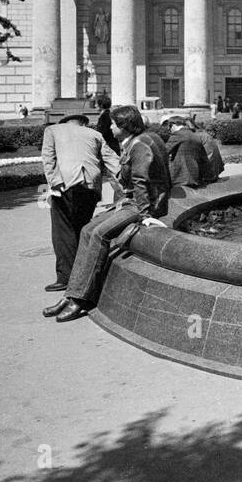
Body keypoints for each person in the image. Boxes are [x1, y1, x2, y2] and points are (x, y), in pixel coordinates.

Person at [44, 104, 171, 323]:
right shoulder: (136, 141)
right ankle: (71, 294)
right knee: (86, 229)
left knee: (99, 234)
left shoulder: (139, 144)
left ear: (124, 125)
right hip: (131, 202)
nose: (110, 128)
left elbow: (141, 181)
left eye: (113, 123)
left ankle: (80, 300)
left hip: (139, 206)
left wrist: (144, 215)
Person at [41, 112, 121, 294]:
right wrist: (125, 182)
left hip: (65, 185)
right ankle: (84, 275)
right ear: (83, 122)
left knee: (63, 232)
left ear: (65, 122)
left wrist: (55, 182)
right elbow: (112, 160)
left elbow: (48, 157)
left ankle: (66, 278)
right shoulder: (94, 134)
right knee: (82, 229)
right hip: (90, 186)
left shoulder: (52, 130)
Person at [165, 116, 216, 188]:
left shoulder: (178, 134)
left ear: (172, 125)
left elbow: (163, 152)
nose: (169, 131)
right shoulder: (194, 136)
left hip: (179, 178)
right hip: (194, 177)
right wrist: (210, 177)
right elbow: (204, 159)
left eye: (169, 128)